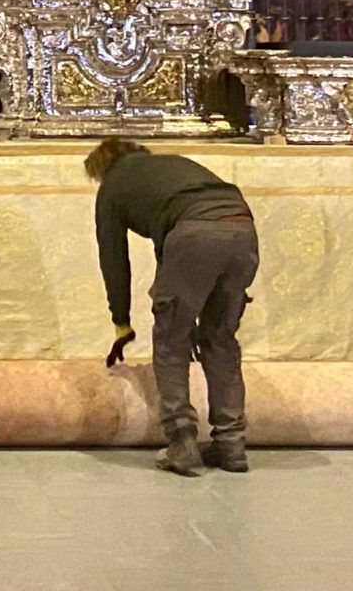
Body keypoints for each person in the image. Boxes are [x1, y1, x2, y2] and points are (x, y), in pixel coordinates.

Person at [87, 138, 260, 476]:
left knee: (171, 339)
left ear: (100, 169)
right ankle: (232, 444)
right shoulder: (171, 167)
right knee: (220, 339)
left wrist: (121, 323)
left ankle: (181, 443)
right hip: (242, 228)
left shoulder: (113, 186)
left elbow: (114, 259)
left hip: (194, 234)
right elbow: (168, 232)